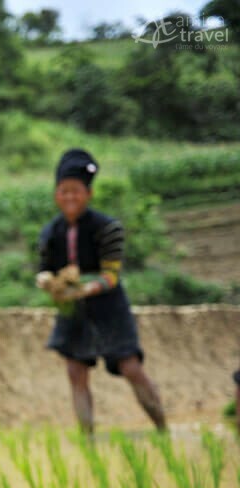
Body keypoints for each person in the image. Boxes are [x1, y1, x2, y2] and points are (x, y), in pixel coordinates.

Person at [36, 149, 166, 435]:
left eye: (76, 191)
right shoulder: (50, 233)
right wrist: (47, 281)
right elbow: (43, 268)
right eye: (64, 191)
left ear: (89, 194)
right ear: (56, 194)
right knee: (75, 371)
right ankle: (87, 439)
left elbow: (111, 274)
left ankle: (162, 429)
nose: (70, 197)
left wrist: (85, 287)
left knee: (131, 366)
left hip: (109, 309)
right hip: (73, 311)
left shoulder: (107, 228)